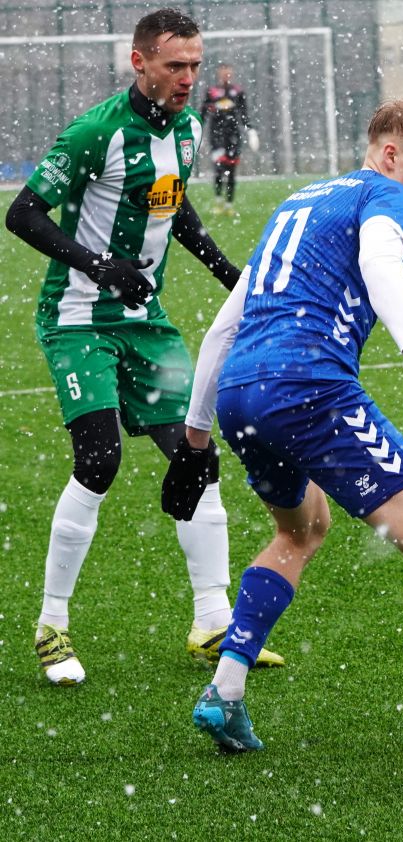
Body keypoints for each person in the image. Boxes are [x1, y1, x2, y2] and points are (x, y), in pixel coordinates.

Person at [163, 95, 403, 790]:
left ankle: (225, 692)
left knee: (301, 530)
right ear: (392, 155)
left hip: (242, 393)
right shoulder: (384, 196)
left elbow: (223, 326)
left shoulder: (298, 204)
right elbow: (381, 261)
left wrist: (195, 439)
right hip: (307, 387)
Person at [3, 7, 283, 687]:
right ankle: (51, 625)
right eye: (175, 65)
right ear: (140, 62)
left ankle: (212, 620)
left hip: (145, 322)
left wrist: (226, 272)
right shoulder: (96, 132)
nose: (188, 77)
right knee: (99, 461)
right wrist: (99, 265)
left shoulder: (187, 130)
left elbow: (174, 205)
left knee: (198, 455)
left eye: (195, 65)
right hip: (78, 319)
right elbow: (22, 213)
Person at [199, 63, 258, 215]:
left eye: (228, 72)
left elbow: (244, 114)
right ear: (219, 73)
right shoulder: (212, 92)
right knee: (219, 169)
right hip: (216, 136)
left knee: (231, 171)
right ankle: (218, 202)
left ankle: (229, 205)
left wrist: (251, 131)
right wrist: (197, 132)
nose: (226, 75)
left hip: (233, 137)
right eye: (223, 72)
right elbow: (203, 115)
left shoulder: (238, 92)